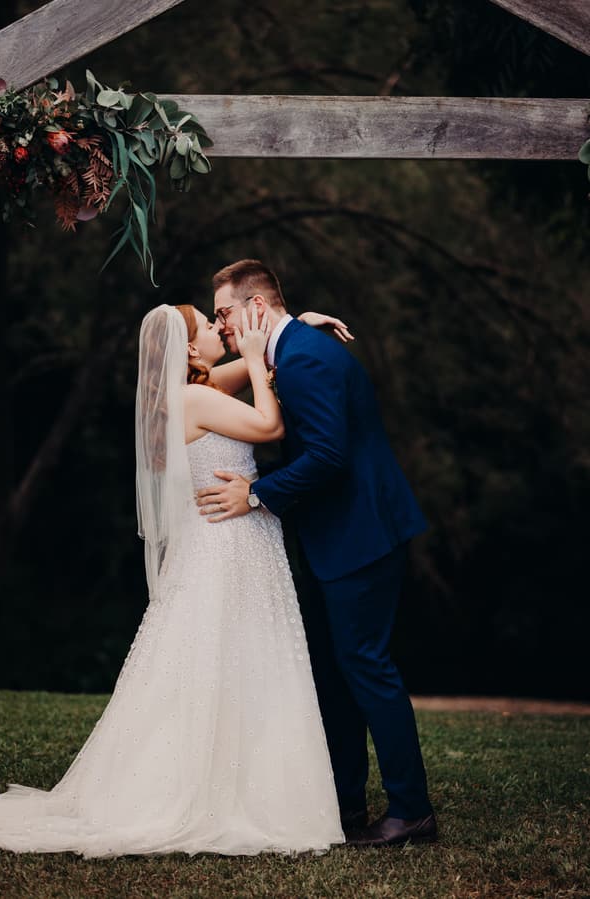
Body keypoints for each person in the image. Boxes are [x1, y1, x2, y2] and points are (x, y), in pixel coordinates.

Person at [0, 302, 347, 858]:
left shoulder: (180, 394)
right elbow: (270, 425)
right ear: (185, 349)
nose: (216, 329)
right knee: (232, 661)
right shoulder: (196, 399)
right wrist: (256, 357)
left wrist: (291, 328)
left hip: (221, 546)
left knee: (217, 664)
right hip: (226, 547)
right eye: (207, 325)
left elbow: (245, 369)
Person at [197, 259, 437, 848]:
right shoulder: (296, 347)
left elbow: (327, 456)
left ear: (255, 307)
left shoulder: (303, 357)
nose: (221, 326)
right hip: (341, 537)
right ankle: (346, 803)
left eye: (224, 313)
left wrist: (254, 493)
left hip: (362, 537)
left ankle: (411, 809)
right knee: (335, 674)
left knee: (366, 669)